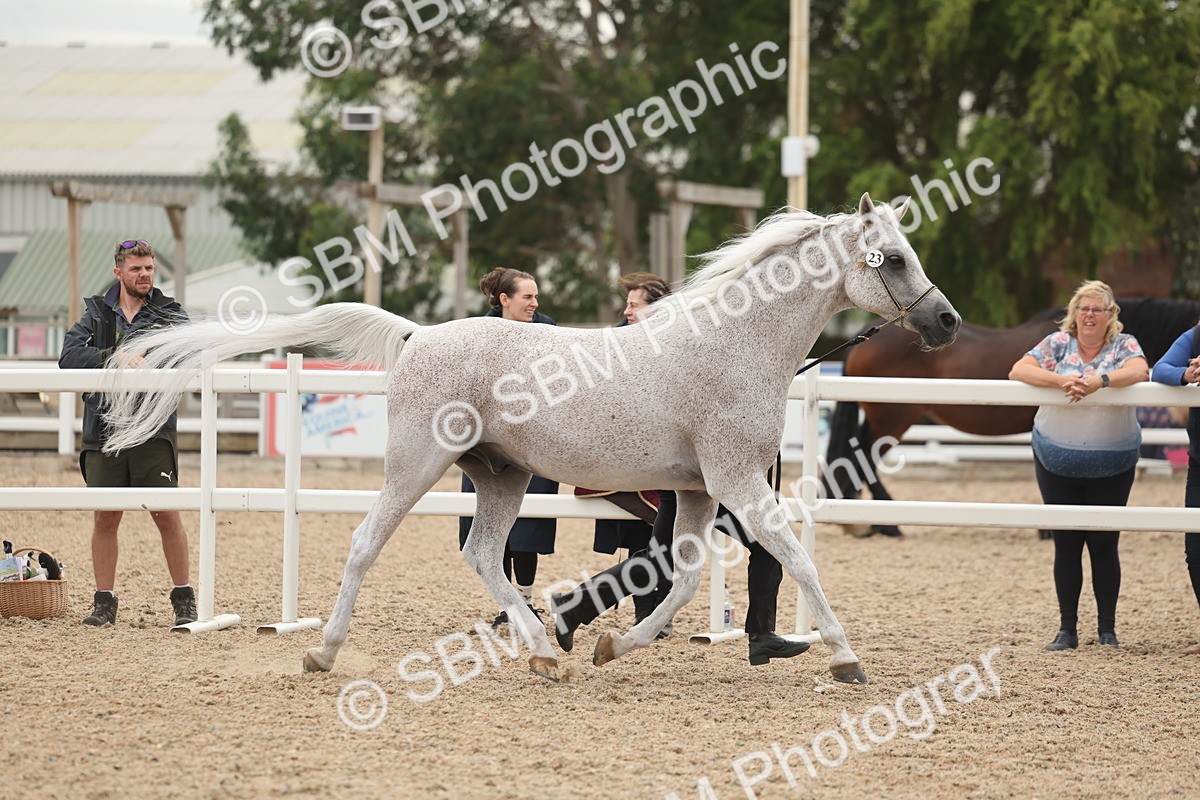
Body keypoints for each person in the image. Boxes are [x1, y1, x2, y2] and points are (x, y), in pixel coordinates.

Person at [552, 273, 810, 666]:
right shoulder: (644, 351)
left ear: (658, 308)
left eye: (634, 304)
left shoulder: (682, 347)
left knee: (663, 558)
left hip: (694, 475)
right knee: (759, 544)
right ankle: (760, 634)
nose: (626, 312)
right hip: (698, 477)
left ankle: (577, 605)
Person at [58, 239, 197, 628]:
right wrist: (113, 359)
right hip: (104, 429)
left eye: (149, 267)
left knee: (166, 514)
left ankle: (184, 599)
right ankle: (104, 602)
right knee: (106, 516)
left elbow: (189, 353)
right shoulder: (95, 313)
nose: (145, 275)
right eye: (136, 269)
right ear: (119, 272)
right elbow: (68, 357)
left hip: (153, 429)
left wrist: (148, 359)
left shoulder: (170, 314)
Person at [1009, 280, 1149, 651]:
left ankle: (1107, 631)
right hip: (1056, 460)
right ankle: (1066, 629)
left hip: (1113, 463)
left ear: (1110, 315)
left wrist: (1098, 382)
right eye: (1083, 308)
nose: (1089, 315)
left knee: (1105, 544)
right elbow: (1019, 370)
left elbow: (1139, 371)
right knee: (1066, 544)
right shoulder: (1056, 344)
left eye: (1097, 309)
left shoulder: (1124, 344)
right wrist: (1062, 380)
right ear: (1075, 313)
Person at [458, 268, 558, 626]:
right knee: (491, 524)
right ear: (504, 300)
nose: (535, 303)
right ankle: (507, 604)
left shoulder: (548, 329)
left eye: (535, 296)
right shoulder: (477, 333)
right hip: (488, 440)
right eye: (527, 297)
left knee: (530, 527)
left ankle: (526, 599)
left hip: (537, 440)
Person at [1149, 318, 1200, 654]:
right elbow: (1161, 369)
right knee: (1195, 551)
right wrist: (1187, 374)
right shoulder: (1196, 336)